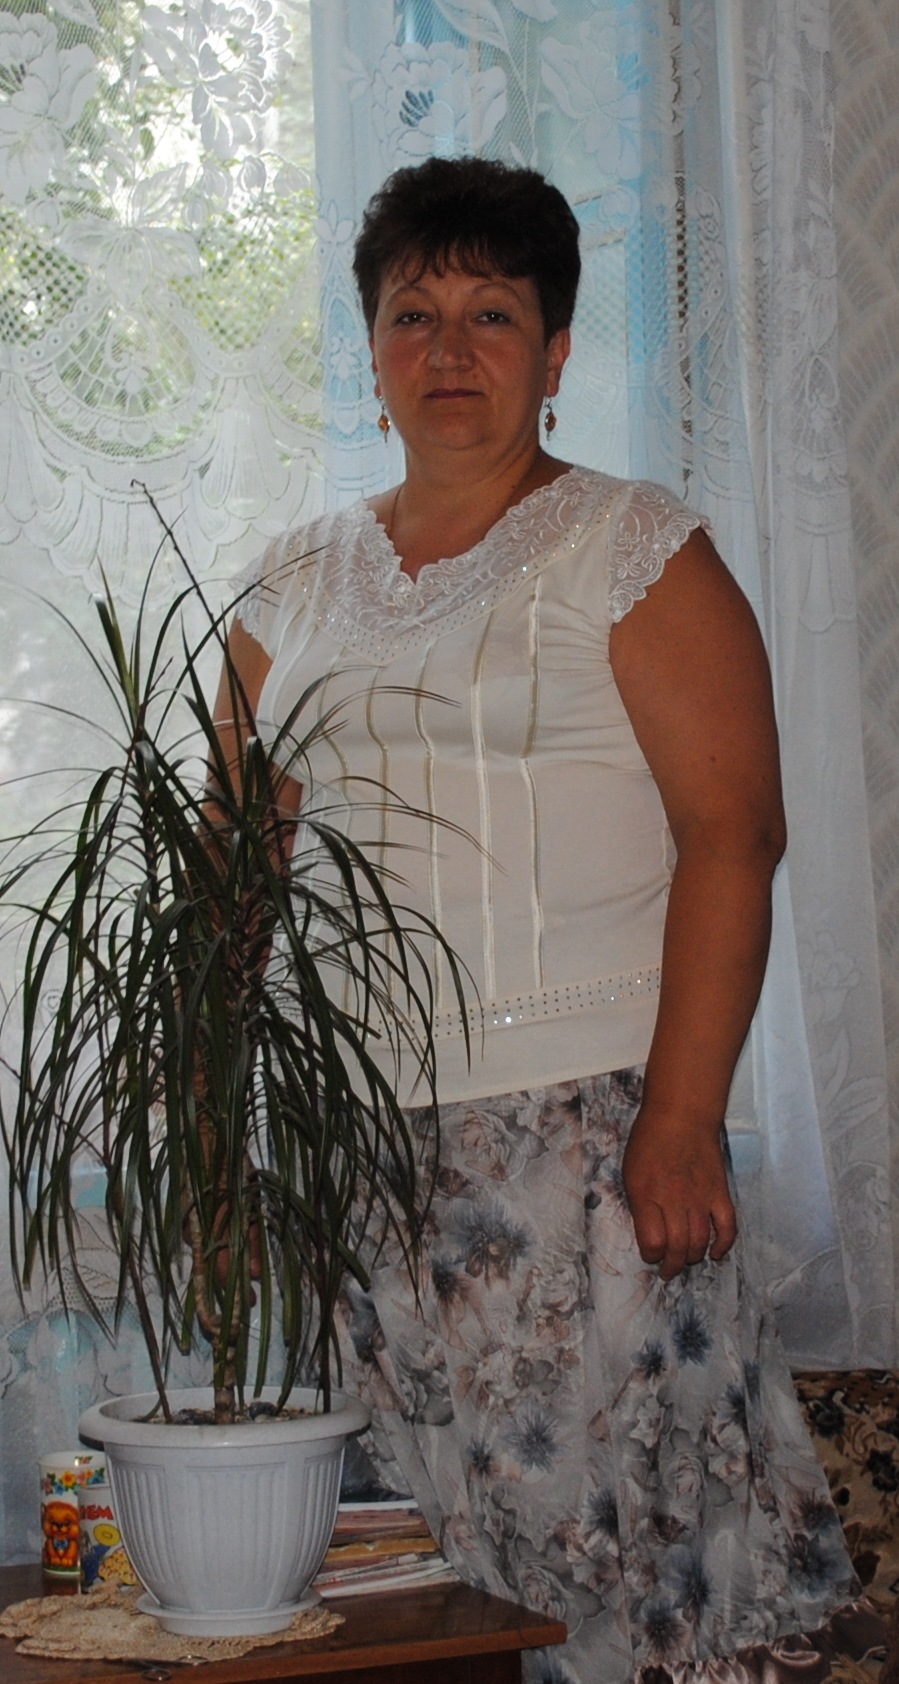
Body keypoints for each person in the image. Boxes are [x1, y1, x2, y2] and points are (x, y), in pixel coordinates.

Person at [219, 158, 868, 1684]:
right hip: (356, 1158)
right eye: (413, 314)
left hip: (591, 1147)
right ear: (371, 350)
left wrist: (685, 1121)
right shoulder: (288, 585)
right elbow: (232, 890)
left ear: (556, 350)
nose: (449, 350)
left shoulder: (631, 548)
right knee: (415, 1608)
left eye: (492, 314)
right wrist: (209, 1140)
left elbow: (736, 835)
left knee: (636, 1589)